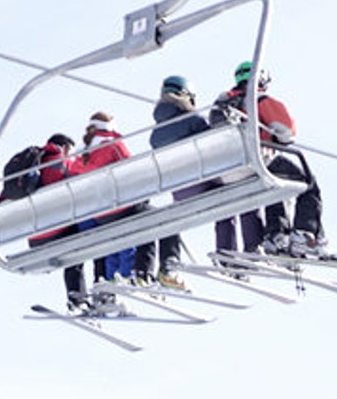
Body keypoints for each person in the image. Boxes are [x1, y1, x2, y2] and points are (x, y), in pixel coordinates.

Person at [213, 60, 337, 261]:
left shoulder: (221, 105)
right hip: (255, 161)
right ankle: (305, 234)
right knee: (308, 183)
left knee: (277, 184)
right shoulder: (259, 100)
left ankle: (276, 235)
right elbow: (286, 131)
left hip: (225, 171)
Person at [74, 112, 156, 284]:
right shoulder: (113, 145)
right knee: (143, 227)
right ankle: (131, 275)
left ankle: (112, 279)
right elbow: (130, 170)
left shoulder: (81, 155)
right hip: (121, 204)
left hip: (98, 212)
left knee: (112, 243)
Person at [148, 75, 212, 289]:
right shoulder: (193, 121)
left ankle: (167, 266)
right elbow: (213, 144)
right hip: (203, 183)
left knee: (170, 218)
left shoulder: (155, 133)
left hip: (179, 191)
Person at [26, 133, 89, 311]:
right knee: (85, 235)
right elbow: (82, 181)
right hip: (57, 231)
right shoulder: (62, 162)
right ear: (64, 147)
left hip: (34, 236)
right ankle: (78, 296)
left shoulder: (32, 164)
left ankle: (76, 298)